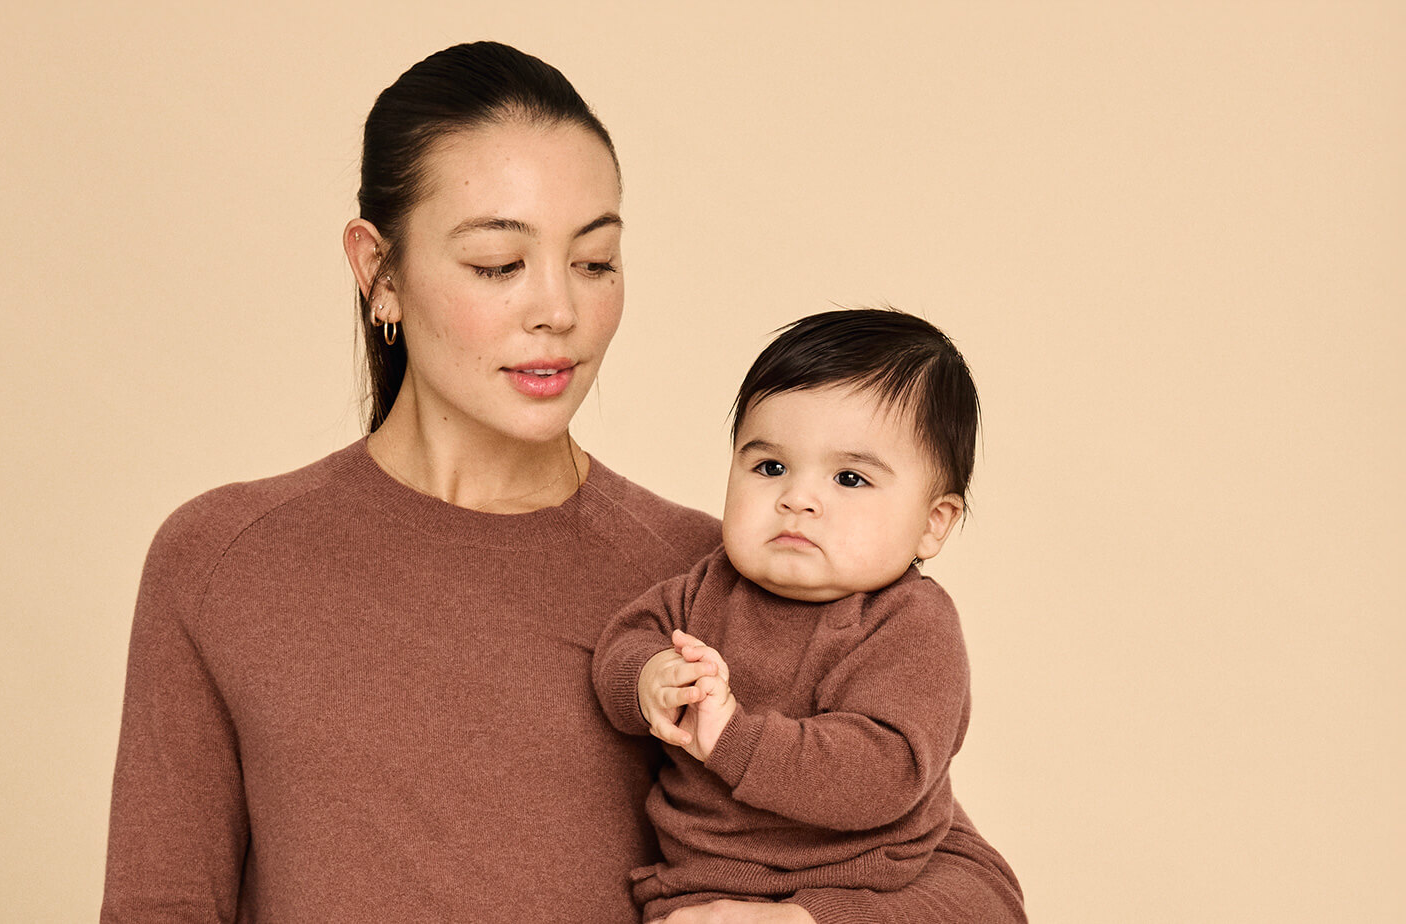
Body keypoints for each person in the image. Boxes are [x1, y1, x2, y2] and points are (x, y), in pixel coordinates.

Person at [101, 41, 1025, 924]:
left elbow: (975, 892)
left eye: (595, 262)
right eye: (499, 264)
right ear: (377, 270)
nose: (559, 310)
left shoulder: (716, 577)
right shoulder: (225, 561)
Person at [593, 309, 983, 921]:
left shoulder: (910, 622)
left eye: (849, 478)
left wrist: (733, 739)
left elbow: (885, 770)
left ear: (933, 524)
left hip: (855, 888)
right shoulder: (710, 583)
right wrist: (649, 679)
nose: (796, 498)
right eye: (770, 467)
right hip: (698, 884)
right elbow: (626, 642)